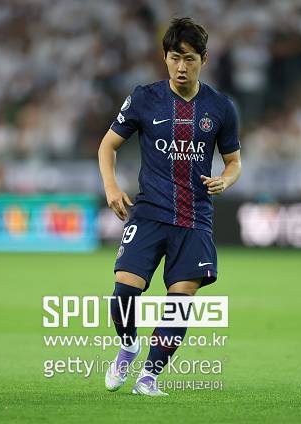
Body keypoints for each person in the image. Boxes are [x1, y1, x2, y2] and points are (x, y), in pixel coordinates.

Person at [97, 17, 242, 396]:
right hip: (148, 213)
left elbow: (234, 162)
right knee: (124, 293)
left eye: (189, 59)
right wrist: (111, 186)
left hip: (195, 218)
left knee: (180, 301)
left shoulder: (221, 108)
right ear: (164, 57)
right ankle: (128, 345)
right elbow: (108, 145)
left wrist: (225, 180)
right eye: (175, 58)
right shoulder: (144, 98)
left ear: (204, 59)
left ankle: (149, 376)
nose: (181, 67)